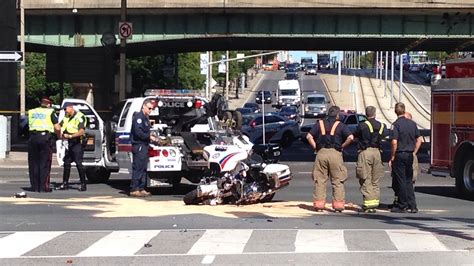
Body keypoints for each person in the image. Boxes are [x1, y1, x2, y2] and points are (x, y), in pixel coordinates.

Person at [306, 106, 354, 212]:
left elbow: (309, 136)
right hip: (335, 153)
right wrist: (342, 146)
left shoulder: (320, 124)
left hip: (321, 153)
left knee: (320, 180)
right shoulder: (340, 125)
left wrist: (315, 147)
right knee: (337, 180)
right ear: (337, 115)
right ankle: (338, 205)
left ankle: (319, 205)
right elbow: (350, 137)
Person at [354, 106, 389, 213]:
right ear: (375, 114)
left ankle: (368, 204)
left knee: (365, 178)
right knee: (375, 179)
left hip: (365, 152)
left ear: (366, 114)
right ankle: (374, 203)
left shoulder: (362, 125)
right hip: (377, 153)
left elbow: (355, 136)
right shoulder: (382, 126)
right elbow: (386, 135)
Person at [389, 103, 422, 213]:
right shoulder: (412, 124)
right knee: (409, 180)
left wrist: (393, 156)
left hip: (400, 154)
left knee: (401, 180)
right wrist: (414, 152)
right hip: (409, 154)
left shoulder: (396, 125)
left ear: (395, 111)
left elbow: (394, 142)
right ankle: (412, 205)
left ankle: (402, 205)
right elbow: (419, 140)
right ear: (404, 110)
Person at [27, 97, 60, 192]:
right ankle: (43, 187)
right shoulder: (50, 112)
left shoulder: (32, 111)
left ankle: (35, 186)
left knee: (34, 163)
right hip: (45, 138)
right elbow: (57, 127)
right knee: (44, 162)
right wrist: (59, 137)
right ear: (49, 104)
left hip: (33, 138)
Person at [129, 99, 158, 197]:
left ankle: (141, 188)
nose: (150, 110)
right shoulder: (139, 118)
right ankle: (134, 188)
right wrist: (149, 137)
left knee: (143, 167)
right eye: (149, 108)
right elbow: (138, 133)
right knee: (138, 167)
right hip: (139, 145)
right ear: (144, 107)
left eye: (152, 109)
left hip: (144, 145)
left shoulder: (145, 118)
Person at [57, 103, 88, 191]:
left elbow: (81, 131)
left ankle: (83, 184)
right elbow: (59, 126)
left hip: (77, 141)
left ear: (71, 108)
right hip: (69, 142)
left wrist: (70, 136)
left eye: (65, 109)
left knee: (78, 163)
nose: (65, 111)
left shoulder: (80, 116)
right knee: (66, 162)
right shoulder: (66, 117)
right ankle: (65, 183)